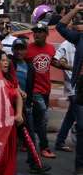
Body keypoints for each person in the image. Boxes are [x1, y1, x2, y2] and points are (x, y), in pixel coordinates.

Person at [54, 3, 83, 175]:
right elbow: (60, 26)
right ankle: (80, 164)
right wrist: (76, 9)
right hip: (81, 87)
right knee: (82, 127)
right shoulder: (79, 38)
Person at [25, 23, 57, 160]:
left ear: (46, 34)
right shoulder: (27, 49)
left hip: (46, 89)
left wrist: (67, 65)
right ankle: (44, 147)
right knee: (43, 118)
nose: (37, 34)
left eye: (40, 32)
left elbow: (52, 61)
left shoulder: (50, 48)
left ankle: (26, 141)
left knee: (38, 119)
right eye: (35, 32)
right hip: (34, 90)